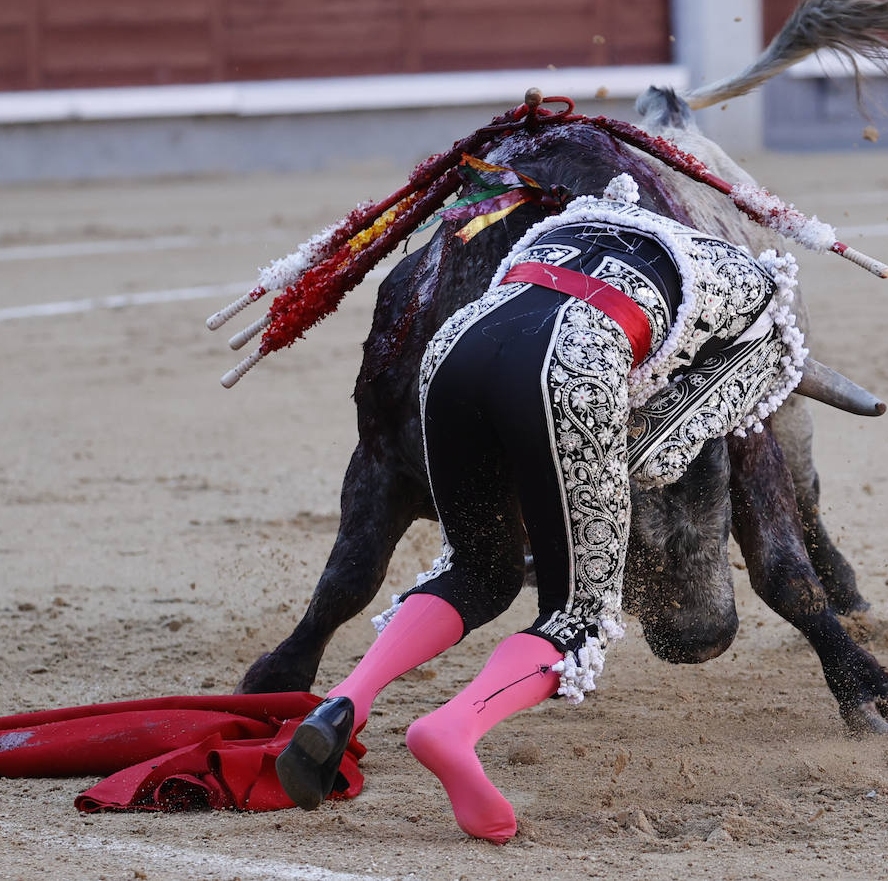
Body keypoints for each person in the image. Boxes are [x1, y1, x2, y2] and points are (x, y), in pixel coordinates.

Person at [274, 173, 805, 842]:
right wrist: (590, 475)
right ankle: (453, 727)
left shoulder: (571, 219)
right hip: (572, 365)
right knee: (579, 614)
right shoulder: (760, 303)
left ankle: (345, 701)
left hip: (457, 347)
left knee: (476, 569)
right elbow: (666, 448)